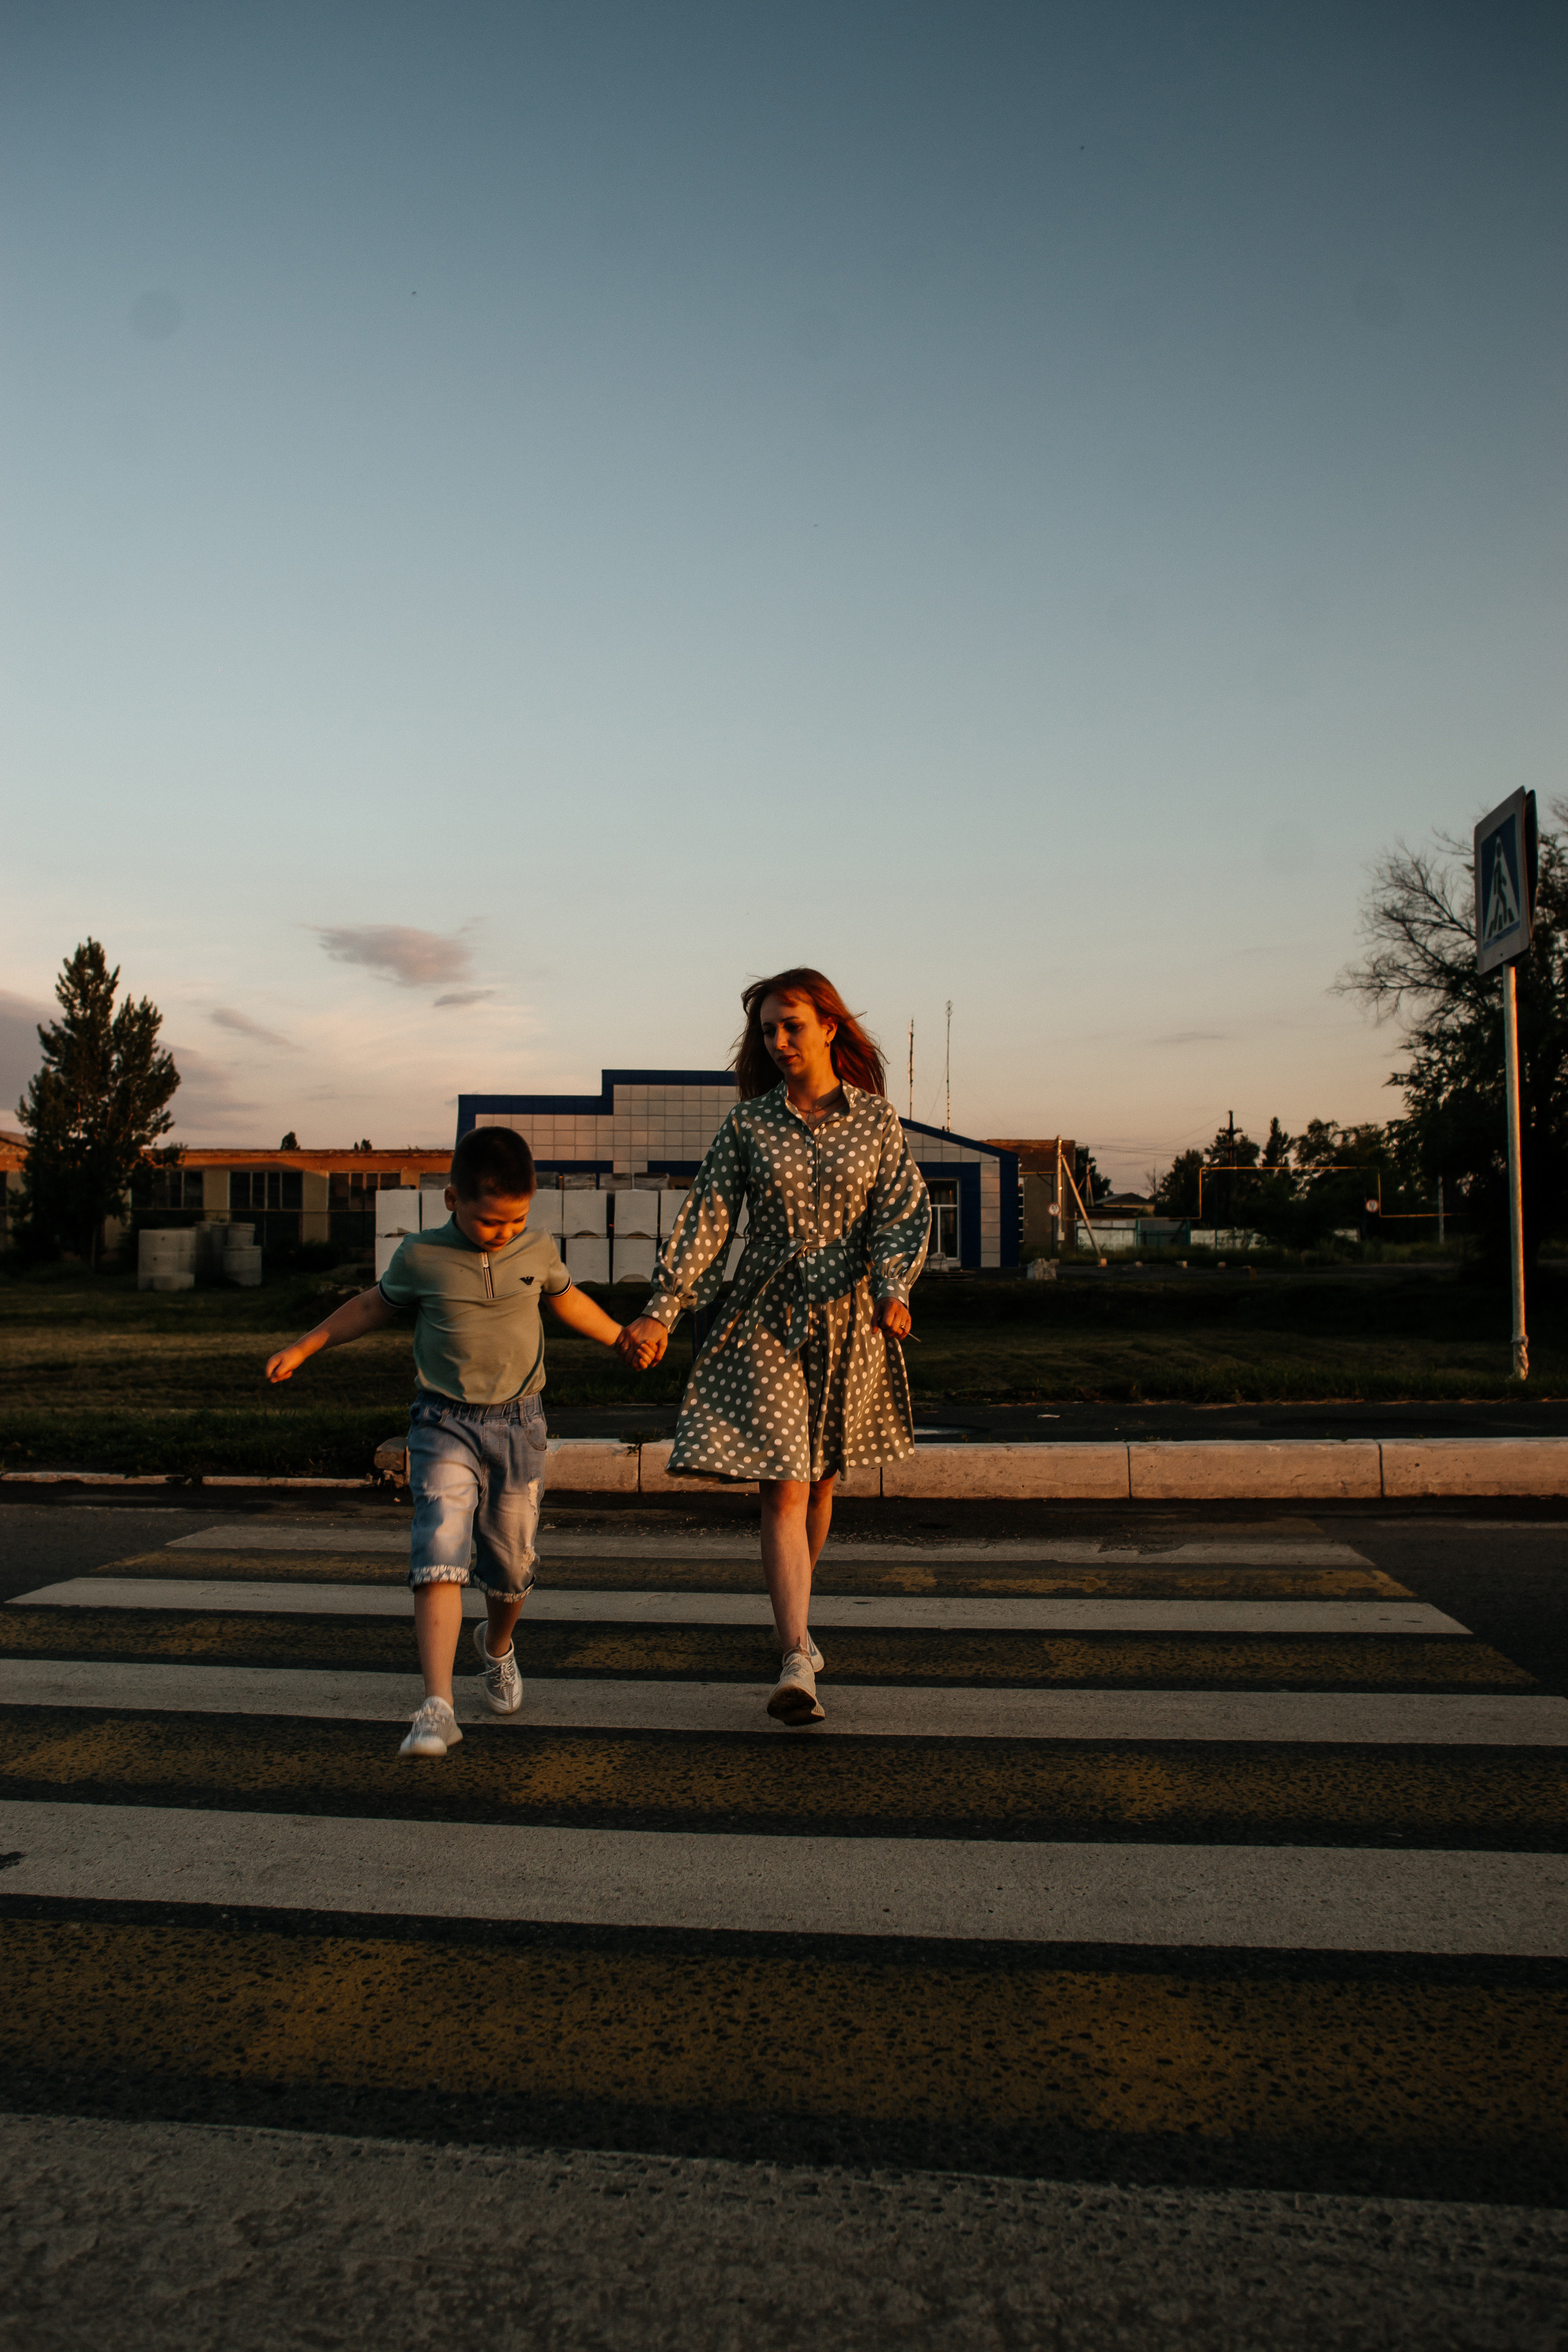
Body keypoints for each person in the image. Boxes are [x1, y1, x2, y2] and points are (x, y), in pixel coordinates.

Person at [265, 1126, 640, 1757]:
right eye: (490, 1221)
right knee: (437, 1546)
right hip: (442, 1423)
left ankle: (496, 1647)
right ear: (451, 1200)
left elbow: (569, 1302)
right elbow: (368, 1307)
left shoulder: (538, 1248)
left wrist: (622, 1337)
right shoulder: (420, 1256)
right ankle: (436, 1705)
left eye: (516, 1219)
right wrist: (304, 1347)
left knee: (511, 1566)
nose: (504, 1233)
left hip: (521, 1427)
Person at [623, 969, 930, 1726]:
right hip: (765, 1311)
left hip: (850, 1314)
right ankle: (794, 1652)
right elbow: (709, 1220)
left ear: (829, 1026)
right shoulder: (749, 1126)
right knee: (783, 1483)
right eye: (768, 1031)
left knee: (822, 1481)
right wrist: (664, 1309)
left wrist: (895, 1287)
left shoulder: (878, 1123)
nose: (780, 1041)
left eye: (791, 1025)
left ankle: (797, 1613)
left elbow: (902, 1211)